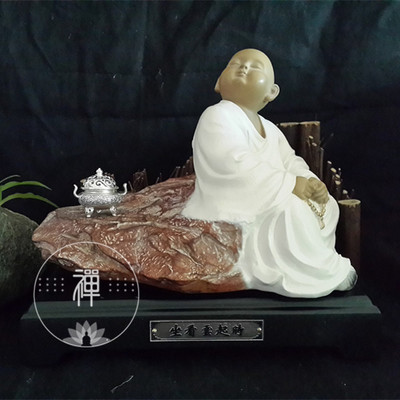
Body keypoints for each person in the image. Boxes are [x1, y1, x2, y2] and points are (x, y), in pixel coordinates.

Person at [182, 48, 357, 298]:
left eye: (255, 67)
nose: (244, 67)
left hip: (268, 190)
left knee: (327, 205)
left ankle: (319, 265)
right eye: (235, 64)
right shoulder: (217, 115)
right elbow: (230, 162)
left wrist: (309, 182)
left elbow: (290, 161)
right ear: (219, 82)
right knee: (292, 211)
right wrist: (290, 184)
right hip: (232, 199)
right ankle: (313, 273)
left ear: (271, 92)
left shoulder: (270, 129)